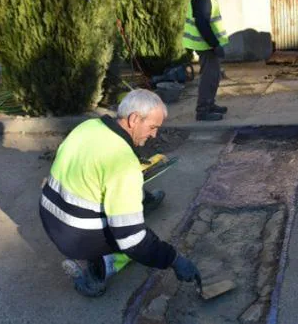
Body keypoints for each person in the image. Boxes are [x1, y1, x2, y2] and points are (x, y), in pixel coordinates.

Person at [39, 89, 200, 297]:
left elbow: (92, 174)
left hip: (50, 215)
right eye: (152, 127)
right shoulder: (124, 163)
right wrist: (174, 260)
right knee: (137, 242)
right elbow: (133, 240)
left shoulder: (89, 126)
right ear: (134, 119)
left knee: (119, 193)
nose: (154, 135)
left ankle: (141, 201)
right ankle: (95, 265)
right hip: (76, 237)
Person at [182, 0, 229, 121]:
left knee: (214, 76)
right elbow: (202, 23)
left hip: (208, 45)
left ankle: (210, 104)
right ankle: (203, 110)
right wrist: (215, 45)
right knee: (208, 77)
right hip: (205, 46)